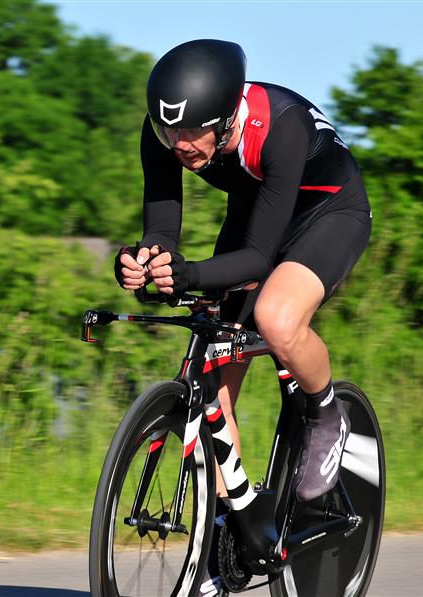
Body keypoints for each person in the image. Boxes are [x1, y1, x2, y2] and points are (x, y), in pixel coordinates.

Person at [114, 39, 371, 504]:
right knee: (213, 382)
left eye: (192, 131)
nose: (179, 143)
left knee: (276, 318)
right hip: (257, 211)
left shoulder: (280, 125)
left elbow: (256, 259)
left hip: (329, 213)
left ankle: (326, 413)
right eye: (169, 130)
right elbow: (162, 229)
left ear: (227, 119)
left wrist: (188, 275)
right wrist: (144, 261)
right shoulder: (165, 135)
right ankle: (224, 526)